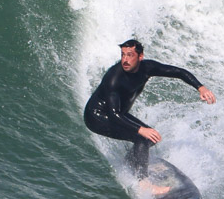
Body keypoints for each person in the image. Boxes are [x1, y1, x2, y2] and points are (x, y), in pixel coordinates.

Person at [84, 39, 216, 180]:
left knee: (151, 137)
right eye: (123, 55)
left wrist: (200, 87)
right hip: (96, 117)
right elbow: (113, 113)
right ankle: (143, 182)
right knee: (142, 137)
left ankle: (131, 163)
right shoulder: (114, 78)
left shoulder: (146, 68)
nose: (125, 60)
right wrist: (140, 130)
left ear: (140, 57)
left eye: (130, 55)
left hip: (118, 114)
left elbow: (179, 72)